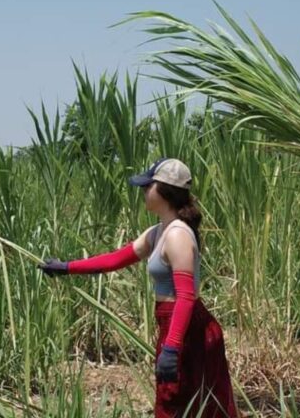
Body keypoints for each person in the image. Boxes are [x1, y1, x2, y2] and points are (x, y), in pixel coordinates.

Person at [39, 158, 237, 418]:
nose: (143, 192)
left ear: (165, 191)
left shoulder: (177, 235)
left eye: (148, 187)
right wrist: (66, 267)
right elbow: (114, 259)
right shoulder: (158, 232)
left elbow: (186, 297)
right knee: (182, 404)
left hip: (188, 330)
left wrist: (172, 347)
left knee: (181, 405)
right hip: (174, 327)